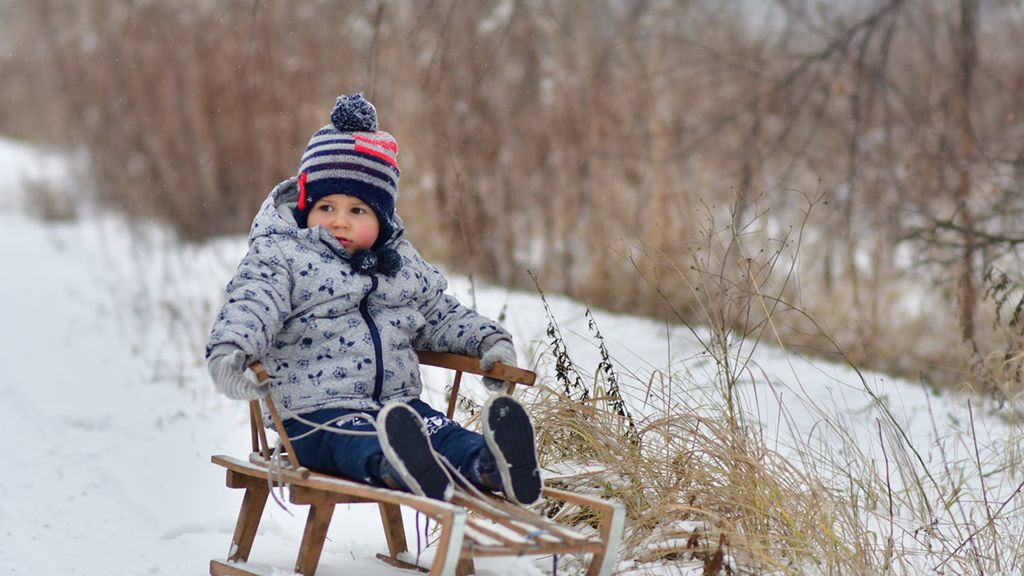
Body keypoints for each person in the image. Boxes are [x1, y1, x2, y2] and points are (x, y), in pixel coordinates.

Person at [205, 93, 541, 505]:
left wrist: (488, 342)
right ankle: (397, 465)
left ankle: (491, 464)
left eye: (358, 211)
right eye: (326, 206)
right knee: (358, 440)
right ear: (307, 206)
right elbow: (253, 302)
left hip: (399, 409)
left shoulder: (398, 264)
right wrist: (231, 351)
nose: (339, 220)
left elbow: (439, 314)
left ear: (381, 219)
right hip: (315, 417)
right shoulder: (283, 255)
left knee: (443, 433)